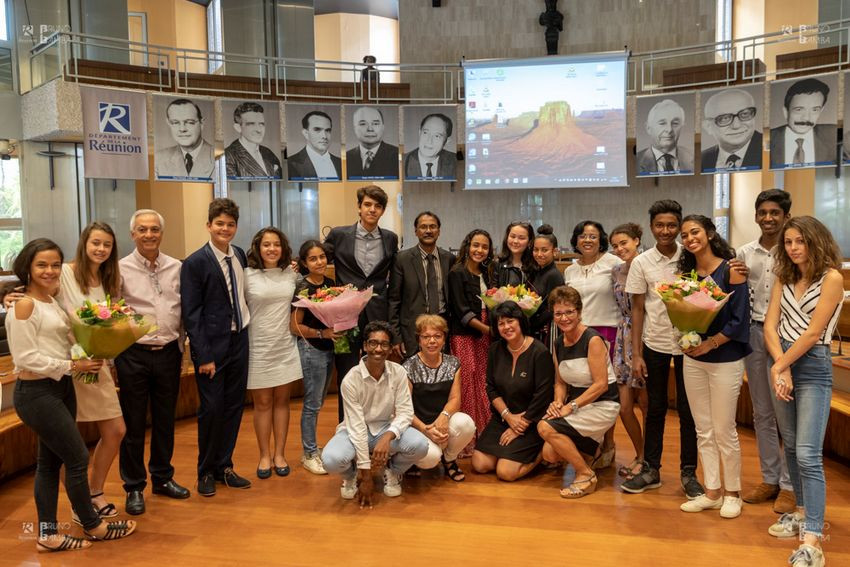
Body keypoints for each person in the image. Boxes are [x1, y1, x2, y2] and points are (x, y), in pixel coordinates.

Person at [8, 239, 136, 552]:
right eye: (42, 265)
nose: (50, 271)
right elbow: (25, 359)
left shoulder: (51, 301)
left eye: (54, 265)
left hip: (61, 386)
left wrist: (93, 349)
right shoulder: (24, 304)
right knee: (77, 457)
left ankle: (49, 535)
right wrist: (71, 364)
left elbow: (62, 341)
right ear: (27, 267)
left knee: (49, 464)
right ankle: (94, 525)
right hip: (37, 392)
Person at [763, 216, 844, 567]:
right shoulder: (785, 275)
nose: (794, 248)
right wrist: (780, 364)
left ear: (816, 241)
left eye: (800, 241)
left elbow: (813, 334)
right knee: (792, 445)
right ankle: (799, 511)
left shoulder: (833, 278)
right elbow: (769, 324)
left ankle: (813, 539)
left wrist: (781, 367)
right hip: (782, 360)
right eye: (789, 242)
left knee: (809, 453)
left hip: (811, 366)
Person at [621, 200, 702, 498]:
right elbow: (638, 309)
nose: (666, 231)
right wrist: (637, 353)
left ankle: (689, 473)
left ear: (679, 227)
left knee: (687, 409)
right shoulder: (642, 262)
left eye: (671, 225)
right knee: (654, 408)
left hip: (689, 345)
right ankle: (651, 469)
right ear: (652, 227)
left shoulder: (691, 256)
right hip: (654, 343)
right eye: (660, 225)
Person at [116, 210, 190, 516]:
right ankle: (134, 486)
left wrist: (184, 348)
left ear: (162, 233)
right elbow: (110, 312)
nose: (149, 235)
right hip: (133, 354)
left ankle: (162, 478)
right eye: (143, 230)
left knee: (164, 421)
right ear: (133, 234)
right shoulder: (119, 269)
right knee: (133, 424)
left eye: (155, 229)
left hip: (169, 352)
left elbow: (184, 310)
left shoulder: (177, 267)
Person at [677, 215, 750, 519]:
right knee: (703, 429)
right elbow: (683, 312)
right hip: (693, 359)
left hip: (724, 358)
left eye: (695, 232)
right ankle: (712, 492)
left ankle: (733, 494)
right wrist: (688, 336)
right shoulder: (687, 272)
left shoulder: (731, 268)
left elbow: (739, 318)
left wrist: (710, 343)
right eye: (685, 235)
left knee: (724, 429)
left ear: (708, 233)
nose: (690, 238)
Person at [181, 198, 252, 496]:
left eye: (230, 224)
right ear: (209, 225)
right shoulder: (195, 262)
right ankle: (205, 471)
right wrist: (203, 355)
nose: (225, 229)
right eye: (219, 223)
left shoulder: (238, 255)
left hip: (239, 341)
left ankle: (225, 466)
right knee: (211, 409)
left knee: (234, 407)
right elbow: (192, 313)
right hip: (212, 348)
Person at [56, 222, 126, 522]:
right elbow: (35, 293)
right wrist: (12, 296)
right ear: (84, 243)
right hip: (69, 366)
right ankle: (79, 501)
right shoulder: (63, 273)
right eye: (96, 243)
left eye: (107, 245)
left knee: (116, 430)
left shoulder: (109, 281)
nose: (100, 249)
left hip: (98, 365)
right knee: (68, 442)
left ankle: (94, 491)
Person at [321, 321, 429, 507]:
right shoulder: (350, 380)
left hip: (386, 427)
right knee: (330, 460)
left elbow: (405, 412)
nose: (378, 349)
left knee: (420, 446)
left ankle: (393, 471)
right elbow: (356, 427)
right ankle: (351, 475)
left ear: (389, 349)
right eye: (373, 343)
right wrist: (366, 475)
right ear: (364, 346)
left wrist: (387, 436)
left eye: (384, 344)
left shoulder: (398, 372)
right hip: (353, 430)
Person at [737, 189, 796, 514]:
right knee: (762, 412)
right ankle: (770, 478)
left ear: (785, 215)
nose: (769, 218)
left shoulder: (795, 250)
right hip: (754, 336)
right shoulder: (744, 253)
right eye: (763, 212)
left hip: (788, 339)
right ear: (756, 215)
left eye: (775, 212)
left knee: (786, 412)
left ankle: (789, 485)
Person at [324, 185, 399, 421]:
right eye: (367, 204)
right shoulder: (338, 234)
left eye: (377, 206)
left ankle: (374, 425)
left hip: (377, 313)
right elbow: (316, 260)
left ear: (383, 210)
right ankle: (345, 428)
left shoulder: (390, 238)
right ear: (359, 207)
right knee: (346, 372)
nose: (372, 210)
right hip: (343, 317)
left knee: (376, 371)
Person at [538, 286, 620, 498]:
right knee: (549, 453)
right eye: (558, 313)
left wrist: (570, 407)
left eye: (569, 312)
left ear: (579, 312)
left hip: (603, 404)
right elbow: (560, 382)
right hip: (577, 406)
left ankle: (585, 474)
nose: (564, 318)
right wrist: (557, 402)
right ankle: (594, 450)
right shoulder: (558, 342)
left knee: (544, 427)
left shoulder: (592, 339)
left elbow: (601, 385)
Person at [472, 302, 554, 481]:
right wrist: (508, 416)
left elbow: (544, 395)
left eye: (510, 321)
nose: (506, 327)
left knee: (506, 472)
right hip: (503, 417)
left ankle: (541, 454)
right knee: (480, 464)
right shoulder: (495, 350)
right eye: (501, 324)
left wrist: (521, 425)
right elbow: (491, 387)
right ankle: (510, 453)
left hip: (531, 420)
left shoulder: (540, 352)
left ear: (520, 321)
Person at [562, 220, 622, 468]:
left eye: (593, 236)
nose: (587, 240)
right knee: (582, 388)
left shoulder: (613, 263)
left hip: (608, 330)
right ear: (575, 240)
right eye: (583, 236)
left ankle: (609, 442)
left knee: (605, 390)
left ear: (601, 240)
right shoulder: (569, 270)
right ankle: (589, 443)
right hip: (577, 333)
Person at [245, 227, 302, 479]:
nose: (271, 249)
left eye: (276, 244)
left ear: (283, 248)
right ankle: (264, 455)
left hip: (284, 344)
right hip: (257, 345)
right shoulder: (247, 275)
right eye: (266, 244)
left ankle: (280, 454)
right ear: (258, 247)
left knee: (282, 401)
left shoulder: (290, 273)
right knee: (263, 403)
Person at [403, 314, 475, 481]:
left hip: (442, 421)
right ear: (419, 340)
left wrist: (444, 417)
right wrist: (425, 429)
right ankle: (413, 459)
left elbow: (455, 399)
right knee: (430, 460)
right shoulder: (407, 367)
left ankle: (449, 459)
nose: (432, 341)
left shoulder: (453, 363)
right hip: (417, 425)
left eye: (437, 336)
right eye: (426, 337)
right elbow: (404, 409)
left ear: (444, 339)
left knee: (466, 424)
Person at [291, 240, 339, 475]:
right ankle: (309, 453)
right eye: (313, 258)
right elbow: (295, 326)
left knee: (318, 401)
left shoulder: (330, 283)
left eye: (321, 257)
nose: (319, 262)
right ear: (303, 263)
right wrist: (322, 333)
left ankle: (312, 447)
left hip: (329, 348)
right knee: (312, 404)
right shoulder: (302, 287)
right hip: (312, 349)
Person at [447, 229, 494, 447]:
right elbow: (461, 311)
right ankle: (466, 440)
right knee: (467, 381)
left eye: (484, 247)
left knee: (483, 381)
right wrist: (487, 329)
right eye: (476, 245)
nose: (480, 250)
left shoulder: (488, 273)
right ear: (467, 245)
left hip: (485, 334)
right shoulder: (457, 272)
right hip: (466, 334)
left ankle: (485, 433)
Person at [609, 222, 649, 479]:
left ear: (636, 240)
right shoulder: (615, 271)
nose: (620, 248)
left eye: (624, 242)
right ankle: (640, 453)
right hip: (623, 336)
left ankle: (647, 460)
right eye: (615, 245)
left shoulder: (647, 265)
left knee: (646, 405)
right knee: (624, 407)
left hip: (647, 335)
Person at [388, 211, 455, 359]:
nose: (428, 231)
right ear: (416, 231)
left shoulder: (449, 259)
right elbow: (394, 300)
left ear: (439, 231)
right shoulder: (402, 259)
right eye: (423, 227)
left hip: (442, 331)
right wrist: (396, 337)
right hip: (412, 333)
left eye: (433, 227)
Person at [770, 78, 836, 169]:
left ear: (821, 110)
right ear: (786, 112)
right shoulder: (766, 139)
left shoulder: (834, 135)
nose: (806, 118)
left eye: (815, 110)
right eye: (799, 109)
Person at [701, 88, 763, 172]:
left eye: (744, 114)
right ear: (708, 127)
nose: (736, 125)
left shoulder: (775, 152)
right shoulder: (701, 159)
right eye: (725, 118)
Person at [154, 98, 215, 180]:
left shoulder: (218, 158)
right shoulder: (159, 159)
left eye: (190, 122)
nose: (182, 129)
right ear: (169, 124)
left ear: (202, 123)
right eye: (175, 122)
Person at [528, 224, 565, 347]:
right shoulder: (538, 271)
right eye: (535, 249)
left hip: (548, 331)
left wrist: (530, 324)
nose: (539, 254)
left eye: (544, 250)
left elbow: (553, 308)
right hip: (537, 329)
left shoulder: (554, 275)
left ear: (554, 251)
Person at [225, 102, 282, 179]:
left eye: (261, 124)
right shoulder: (229, 156)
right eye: (251, 124)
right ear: (238, 127)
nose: (258, 130)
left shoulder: (268, 153)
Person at [636, 98, 694, 174]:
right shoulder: (636, 161)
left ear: (682, 127)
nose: (669, 129)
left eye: (675, 123)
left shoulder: (695, 158)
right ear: (648, 128)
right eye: (662, 123)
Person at [345, 106, 400, 179]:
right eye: (363, 124)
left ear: (383, 127)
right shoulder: (346, 158)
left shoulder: (397, 155)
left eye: (375, 124)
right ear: (354, 128)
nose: (370, 129)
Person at [287, 110, 342, 181]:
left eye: (327, 130)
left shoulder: (340, 163)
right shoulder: (291, 163)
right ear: (305, 133)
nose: (324, 136)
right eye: (317, 130)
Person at [403, 113, 457, 180]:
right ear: (419, 132)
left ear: (447, 141)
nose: (429, 141)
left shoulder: (456, 162)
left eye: (437, 136)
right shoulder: (403, 162)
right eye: (425, 133)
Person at [493, 221, 535, 287]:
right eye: (512, 236)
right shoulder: (497, 264)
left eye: (521, 238)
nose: (515, 241)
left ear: (529, 242)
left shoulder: (535, 265)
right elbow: (493, 292)